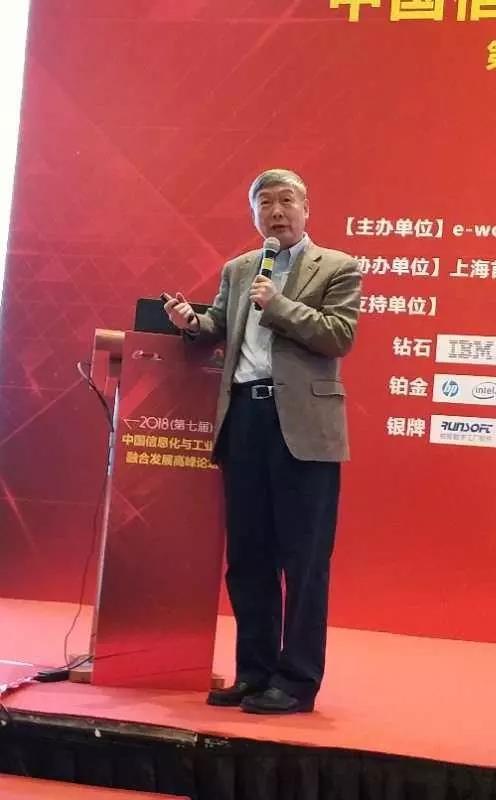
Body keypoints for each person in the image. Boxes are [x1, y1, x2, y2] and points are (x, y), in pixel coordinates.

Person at [163, 169, 360, 715]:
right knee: (249, 556)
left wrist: (277, 305)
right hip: (245, 419)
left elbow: (339, 335)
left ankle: (296, 681)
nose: (276, 211)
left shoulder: (338, 266)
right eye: (265, 203)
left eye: (286, 200)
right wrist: (190, 321)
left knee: (304, 559)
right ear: (253, 215)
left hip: (304, 427)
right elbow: (218, 325)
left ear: (306, 207)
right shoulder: (239, 268)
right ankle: (254, 672)